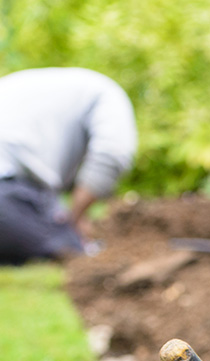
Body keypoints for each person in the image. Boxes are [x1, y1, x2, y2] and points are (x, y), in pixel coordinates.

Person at [0, 68, 137, 264]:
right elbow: (112, 155)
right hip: (4, 196)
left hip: (11, 185)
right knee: (70, 247)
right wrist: (75, 218)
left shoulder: (35, 91)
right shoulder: (108, 96)